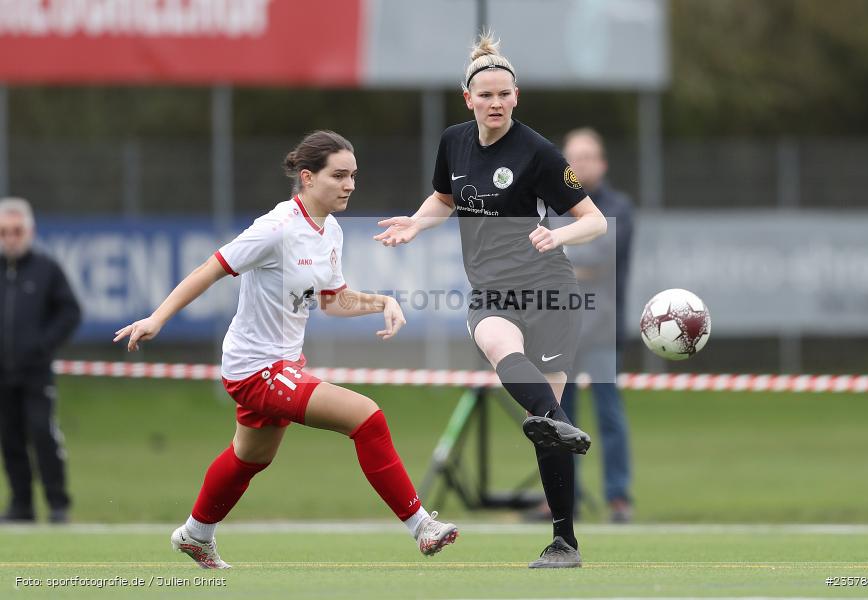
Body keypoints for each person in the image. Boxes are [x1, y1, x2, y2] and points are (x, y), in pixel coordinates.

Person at [114, 131, 458, 569]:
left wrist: (382, 302)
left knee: (251, 456)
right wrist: (157, 318)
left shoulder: (329, 230)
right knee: (367, 418)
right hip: (254, 367)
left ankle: (195, 534)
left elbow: (333, 300)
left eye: (353, 175)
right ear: (308, 177)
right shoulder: (275, 229)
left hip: (283, 363)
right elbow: (211, 268)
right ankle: (421, 526)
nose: (350, 184)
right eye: (339, 175)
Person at [375, 34, 607, 568]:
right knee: (495, 340)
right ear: (469, 99)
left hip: (549, 288)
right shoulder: (454, 142)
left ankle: (564, 543)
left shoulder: (540, 152)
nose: (496, 102)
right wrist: (415, 224)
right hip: (492, 291)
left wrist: (558, 237)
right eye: (486, 95)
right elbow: (443, 199)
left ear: (516, 97)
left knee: (548, 431)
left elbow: (592, 220)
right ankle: (554, 419)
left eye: (505, 94)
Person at [560, 128, 635, 523]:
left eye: (588, 156)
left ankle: (618, 498)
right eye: (574, 156)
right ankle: (561, 501)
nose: (581, 163)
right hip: (560, 331)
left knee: (609, 417)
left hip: (604, 331)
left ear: (602, 163)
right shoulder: (555, 206)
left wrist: (555, 247)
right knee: (558, 421)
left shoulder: (619, 207)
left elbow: (600, 255)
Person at [0, 197, 81, 524]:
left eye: (17, 231)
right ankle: (21, 505)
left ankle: (57, 503)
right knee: (10, 438)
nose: (10, 238)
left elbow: (70, 312)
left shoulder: (47, 270)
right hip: (2, 375)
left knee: (42, 433)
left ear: (29, 231)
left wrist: (43, 345)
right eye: (4, 232)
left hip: (35, 373)